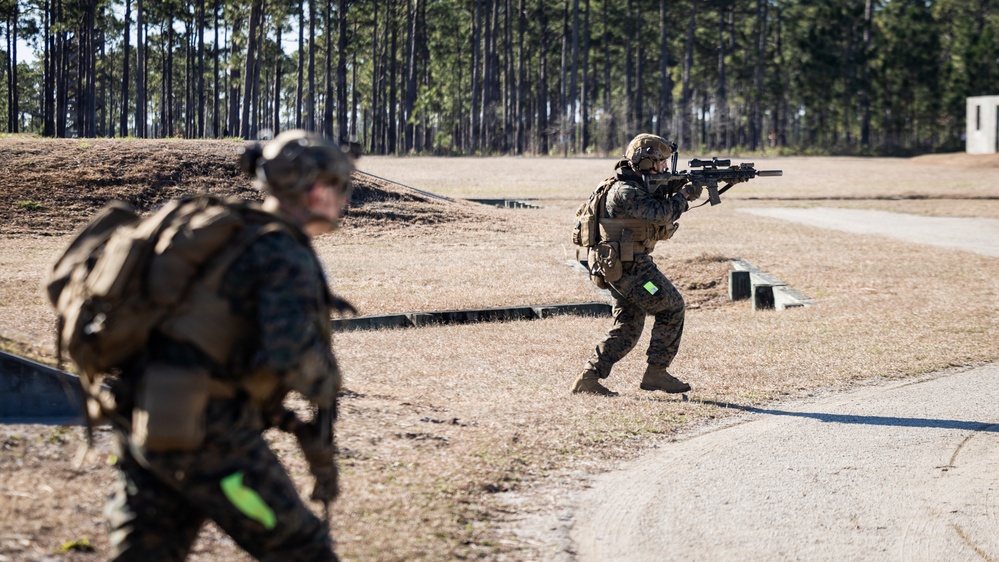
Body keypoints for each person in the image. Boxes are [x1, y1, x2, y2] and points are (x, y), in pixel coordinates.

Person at [103, 130, 354, 561]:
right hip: (207, 435)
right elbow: (289, 353)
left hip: (148, 413)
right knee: (300, 548)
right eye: (337, 185)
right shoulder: (282, 251)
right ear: (312, 189)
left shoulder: (238, 234)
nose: (342, 198)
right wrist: (327, 382)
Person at [572, 133, 702, 397]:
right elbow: (659, 213)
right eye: (660, 162)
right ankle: (656, 373)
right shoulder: (625, 191)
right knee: (671, 306)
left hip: (620, 265)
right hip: (631, 269)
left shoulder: (629, 184)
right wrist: (685, 195)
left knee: (629, 323)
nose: (665, 167)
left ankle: (589, 377)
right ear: (645, 162)